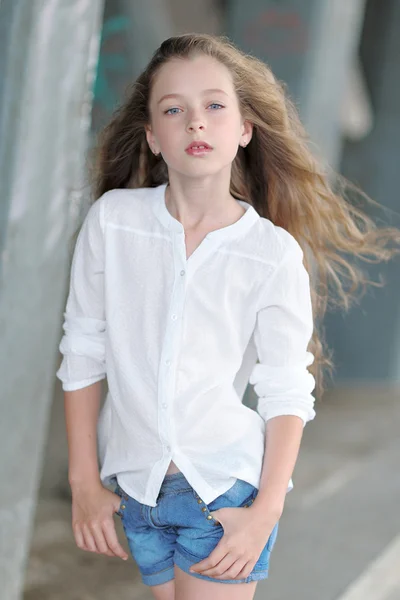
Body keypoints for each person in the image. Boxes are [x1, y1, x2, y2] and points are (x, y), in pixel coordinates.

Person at [56, 32, 400, 600]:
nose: (196, 122)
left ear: (244, 130)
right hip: (137, 488)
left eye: (215, 106)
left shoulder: (270, 253)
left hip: (223, 490)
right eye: (175, 109)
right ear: (152, 137)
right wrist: (83, 481)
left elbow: (287, 389)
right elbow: (83, 350)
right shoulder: (113, 223)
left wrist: (265, 511)